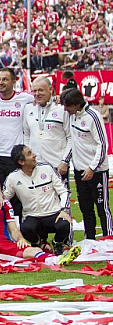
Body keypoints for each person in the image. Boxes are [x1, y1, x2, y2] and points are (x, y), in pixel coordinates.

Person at [0, 171, 81, 266]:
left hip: (4, 243)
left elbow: (13, 229)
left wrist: (20, 239)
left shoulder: (4, 203)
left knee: (35, 250)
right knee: (31, 252)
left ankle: (57, 259)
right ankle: (56, 260)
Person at [61, 88, 112, 239]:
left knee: (102, 207)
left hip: (96, 171)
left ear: (77, 104)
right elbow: (73, 141)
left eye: (67, 106)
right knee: (85, 207)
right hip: (79, 170)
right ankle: (89, 238)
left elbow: (102, 145)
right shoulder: (72, 115)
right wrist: (65, 160)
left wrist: (92, 168)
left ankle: (109, 239)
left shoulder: (93, 116)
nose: (65, 109)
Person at [3, 145, 73, 255]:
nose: (34, 155)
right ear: (21, 162)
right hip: (33, 216)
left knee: (64, 224)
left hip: (53, 213)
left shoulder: (47, 168)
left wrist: (64, 210)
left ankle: (58, 243)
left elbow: (64, 191)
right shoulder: (13, 178)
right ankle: (37, 243)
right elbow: (4, 198)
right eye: (29, 154)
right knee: (25, 227)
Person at [0, 68, 34, 187]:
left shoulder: (25, 98)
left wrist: (56, 99)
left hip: (14, 155)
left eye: (5, 79)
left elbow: (42, 97)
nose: (0, 82)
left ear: (13, 82)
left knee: (17, 193)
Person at [23, 77, 71, 185]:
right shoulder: (29, 108)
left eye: (41, 90)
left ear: (50, 90)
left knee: (61, 200)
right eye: (34, 91)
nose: (37, 94)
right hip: (35, 166)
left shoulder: (62, 108)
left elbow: (71, 138)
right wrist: (27, 158)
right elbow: (26, 135)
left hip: (57, 166)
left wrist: (65, 161)